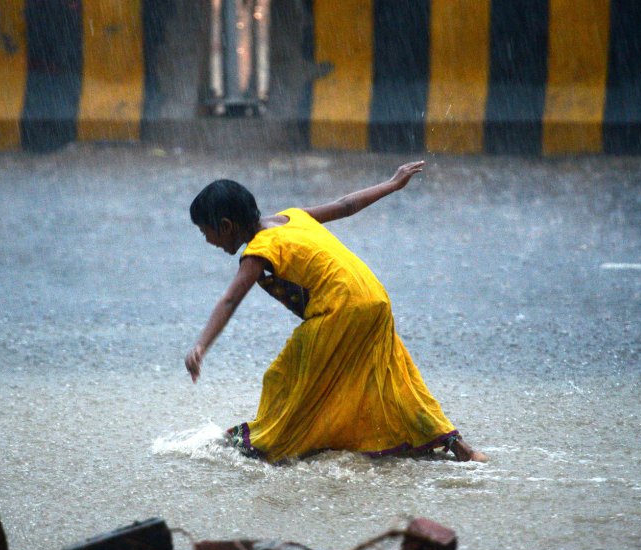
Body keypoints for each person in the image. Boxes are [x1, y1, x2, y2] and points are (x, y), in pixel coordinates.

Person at [185, 161, 487, 464]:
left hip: (339, 307)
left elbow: (229, 300)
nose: (207, 241)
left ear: (226, 226)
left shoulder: (259, 250)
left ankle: (267, 446)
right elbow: (346, 205)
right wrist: (393, 183)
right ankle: (461, 449)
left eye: (204, 232)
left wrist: (201, 345)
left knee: (284, 378)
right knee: (394, 378)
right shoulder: (293, 217)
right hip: (374, 298)